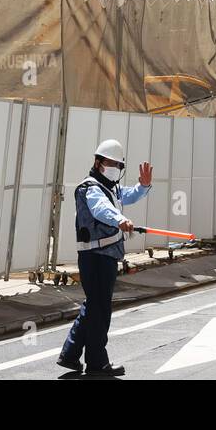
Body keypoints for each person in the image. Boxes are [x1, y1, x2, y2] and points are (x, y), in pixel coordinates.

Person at [58, 139, 152, 377]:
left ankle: (70, 355)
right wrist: (119, 219)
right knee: (100, 310)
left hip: (105, 256)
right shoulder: (90, 188)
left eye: (120, 166)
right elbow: (101, 208)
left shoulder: (111, 187)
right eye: (113, 163)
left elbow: (128, 196)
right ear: (99, 162)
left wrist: (143, 187)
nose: (116, 169)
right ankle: (97, 362)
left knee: (95, 307)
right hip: (95, 257)